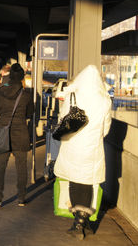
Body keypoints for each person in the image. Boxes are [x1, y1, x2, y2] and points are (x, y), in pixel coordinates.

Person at [53, 65, 111, 240]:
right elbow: (106, 128)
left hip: (73, 146)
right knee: (87, 183)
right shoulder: (104, 100)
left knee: (74, 181)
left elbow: (63, 119)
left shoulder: (72, 95)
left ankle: (78, 224)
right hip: (92, 149)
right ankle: (84, 222)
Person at [0, 63, 34, 208]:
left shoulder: (0, 92)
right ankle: (21, 198)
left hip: (3, 133)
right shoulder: (26, 95)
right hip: (20, 134)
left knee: (0, 166)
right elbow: (30, 113)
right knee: (21, 167)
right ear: (21, 78)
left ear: (9, 77)